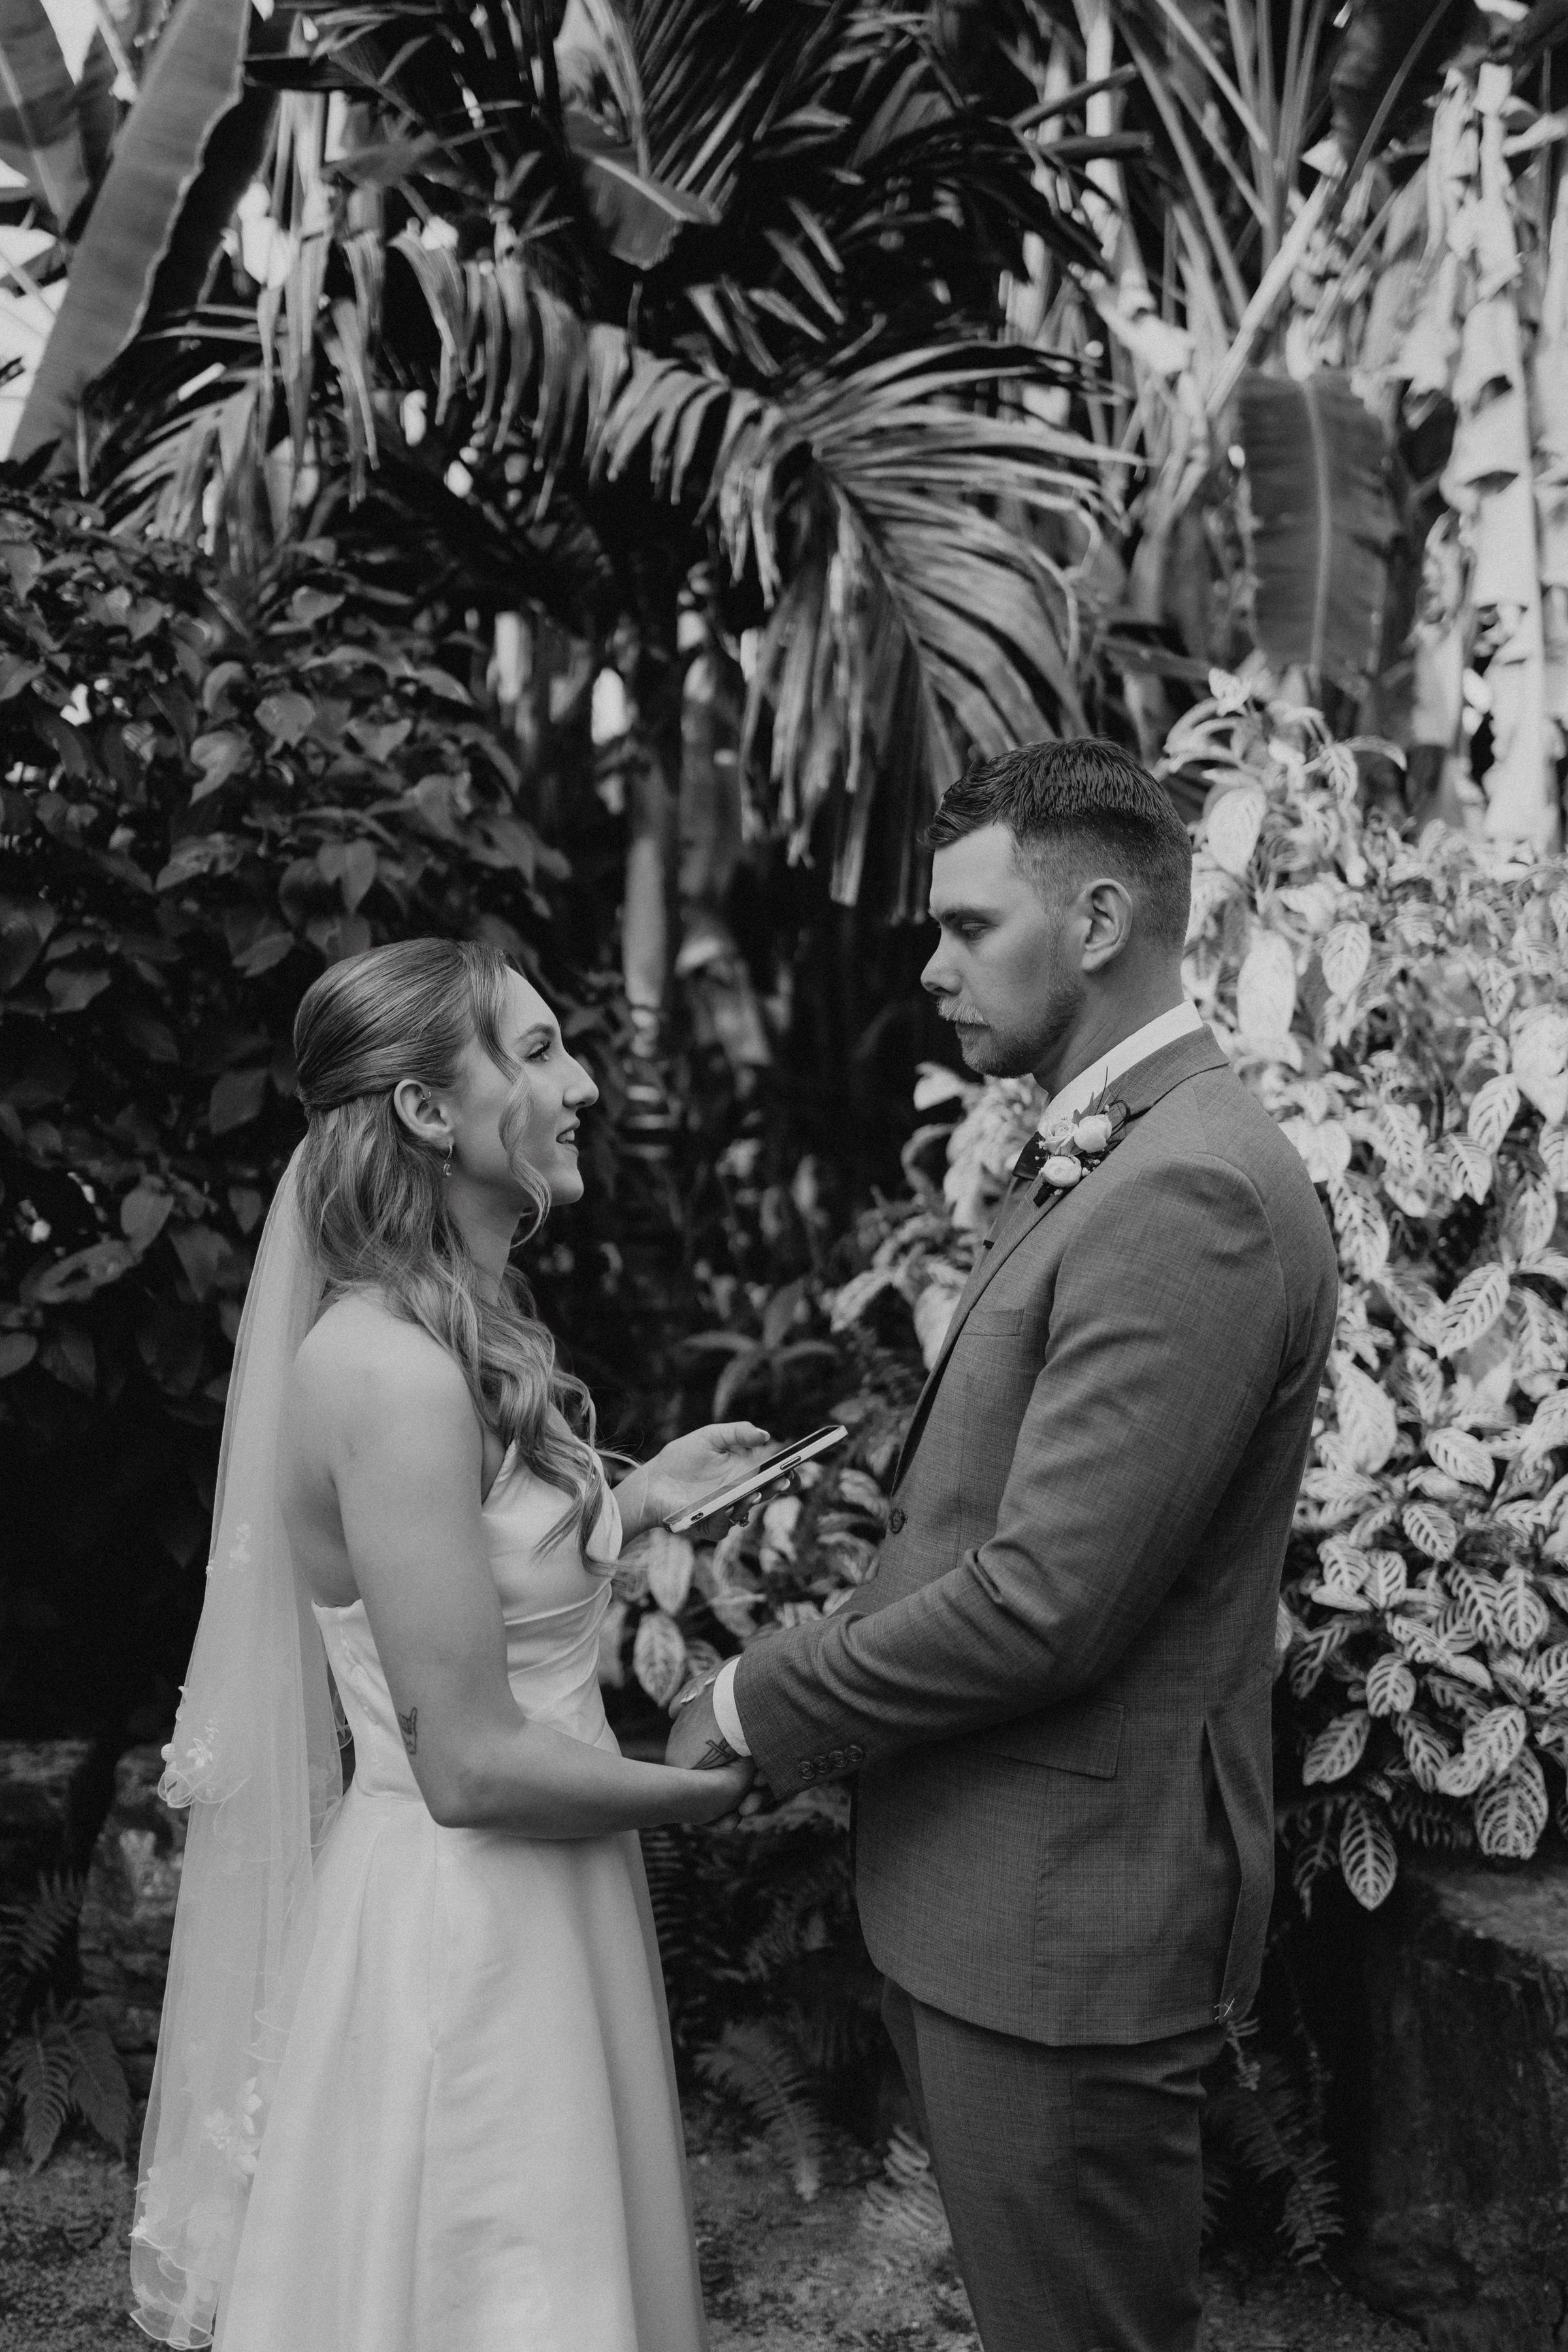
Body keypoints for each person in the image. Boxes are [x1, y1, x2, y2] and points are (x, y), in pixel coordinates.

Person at [670, 740, 1339, 2352]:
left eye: (970, 927)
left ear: (1100, 920)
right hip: (997, 1897)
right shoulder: (1119, 1149)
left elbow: (1046, 1601)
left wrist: (762, 1704)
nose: (930, 964)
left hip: (1073, 1929)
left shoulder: (1197, 1193)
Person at [131, 938, 773, 2351]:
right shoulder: (391, 1374)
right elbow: (472, 1765)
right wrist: (712, 1783)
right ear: (427, 1110)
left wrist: (631, 1492)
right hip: (471, 1919)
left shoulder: (456, 1335)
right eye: (539, 1052)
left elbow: (473, 1560)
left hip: (548, 1894)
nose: (586, 1083)